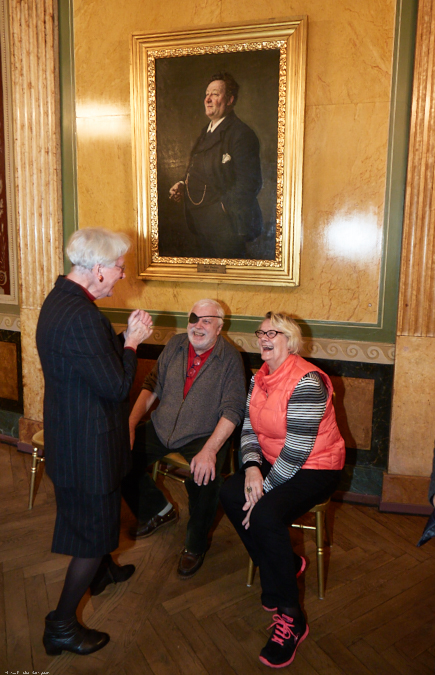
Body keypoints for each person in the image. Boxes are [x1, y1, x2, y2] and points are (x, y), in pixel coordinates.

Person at [36, 228, 153, 656]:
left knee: (94, 523)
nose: (122, 275)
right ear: (99, 269)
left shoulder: (59, 299)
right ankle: (61, 625)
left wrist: (121, 342)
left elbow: (90, 363)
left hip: (71, 437)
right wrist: (133, 343)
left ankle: (102, 573)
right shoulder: (84, 316)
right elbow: (116, 386)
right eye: (119, 267)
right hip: (87, 447)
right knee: (91, 535)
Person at [220, 311, 345, 668]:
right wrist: (251, 468)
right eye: (261, 332)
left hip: (317, 467)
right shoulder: (259, 377)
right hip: (275, 461)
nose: (263, 338)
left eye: (272, 333)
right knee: (229, 492)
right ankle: (284, 564)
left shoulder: (307, 381)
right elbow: (248, 428)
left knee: (264, 514)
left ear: (291, 341)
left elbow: (297, 452)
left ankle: (292, 617)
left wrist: (262, 491)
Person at [122, 298, 246, 579]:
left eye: (206, 321)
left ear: (219, 328)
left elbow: (233, 410)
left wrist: (210, 450)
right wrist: (130, 423)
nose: (197, 326)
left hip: (204, 434)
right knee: (118, 454)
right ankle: (157, 510)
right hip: (162, 426)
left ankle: (195, 544)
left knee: (206, 479)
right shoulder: (176, 344)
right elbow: (152, 385)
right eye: (193, 318)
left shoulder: (230, 358)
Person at [169, 72, 263, 259]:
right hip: (198, 224)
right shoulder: (206, 131)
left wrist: (221, 210)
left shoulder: (241, 134)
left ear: (230, 100)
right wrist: (182, 184)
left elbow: (250, 183)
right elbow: (197, 168)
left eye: (215, 94)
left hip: (225, 228)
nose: (208, 99)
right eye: (207, 94)